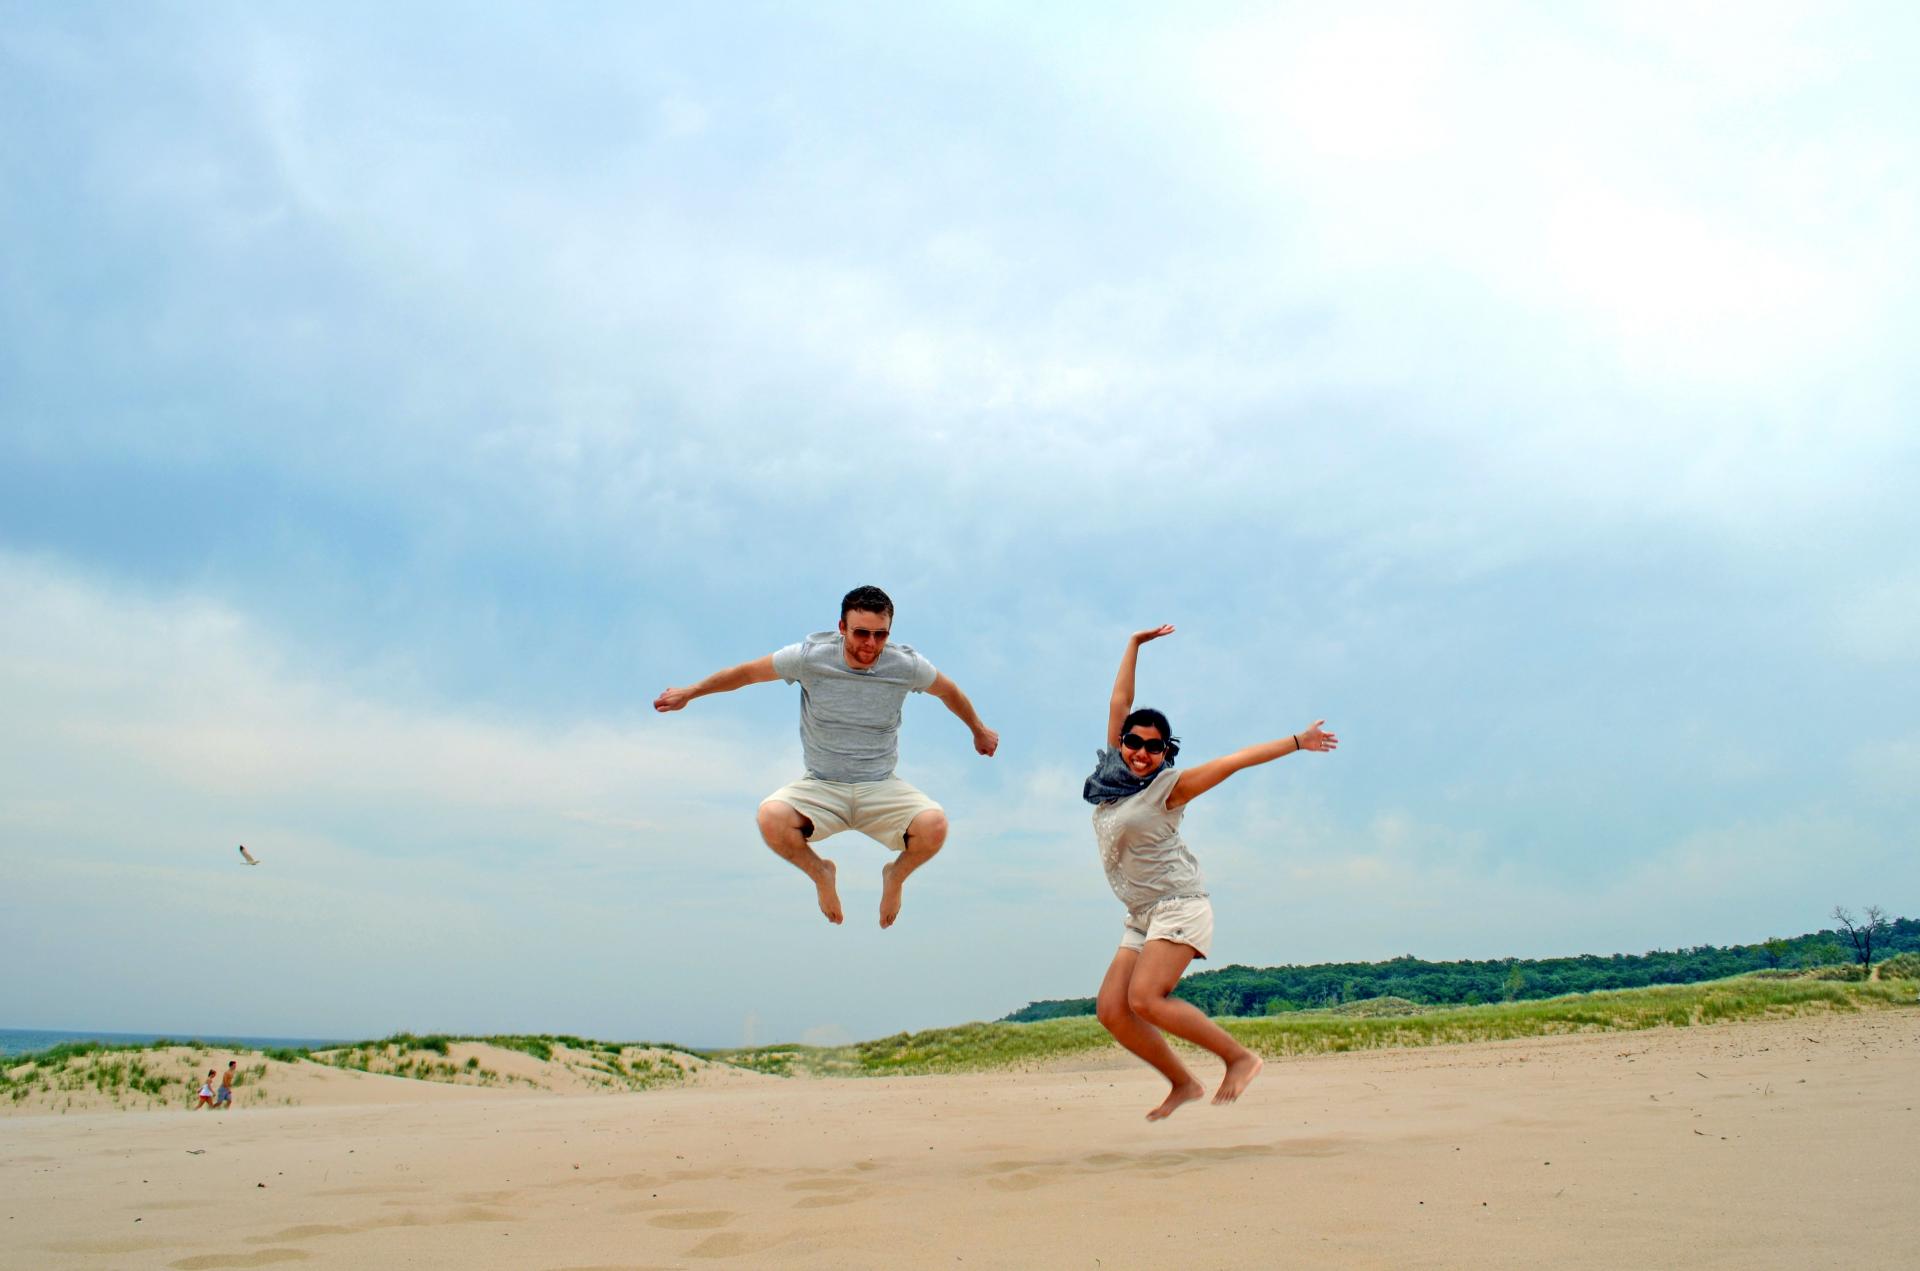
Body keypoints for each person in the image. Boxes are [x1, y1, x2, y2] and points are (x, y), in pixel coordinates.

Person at [1085, 624, 1337, 1120]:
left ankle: (1239, 1057)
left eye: (1153, 747)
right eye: (1133, 741)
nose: (1140, 752)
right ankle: (1183, 1083)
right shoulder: (1110, 780)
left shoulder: (1168, 788)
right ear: (1122, 742)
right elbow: (1120, 699)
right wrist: (1133, 646)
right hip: (1141, 914)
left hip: (1179, 904)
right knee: (1113, 1011)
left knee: (1147, 999)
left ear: (1165, 754)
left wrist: (1297, 741)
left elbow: (1233, 762)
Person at [654, 585, 998, 928]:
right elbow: (746, 674)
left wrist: (978, 730)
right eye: (861, 633)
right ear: (842, 627)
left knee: (934, 827)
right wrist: (692, 692)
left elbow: (948, 691)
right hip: (821, 785)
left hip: (879, 786)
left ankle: (895, 876)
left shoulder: (905, 665)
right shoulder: (809, 657)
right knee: (770, 818)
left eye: (881, 635)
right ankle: (821, 873)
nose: (871, 644)